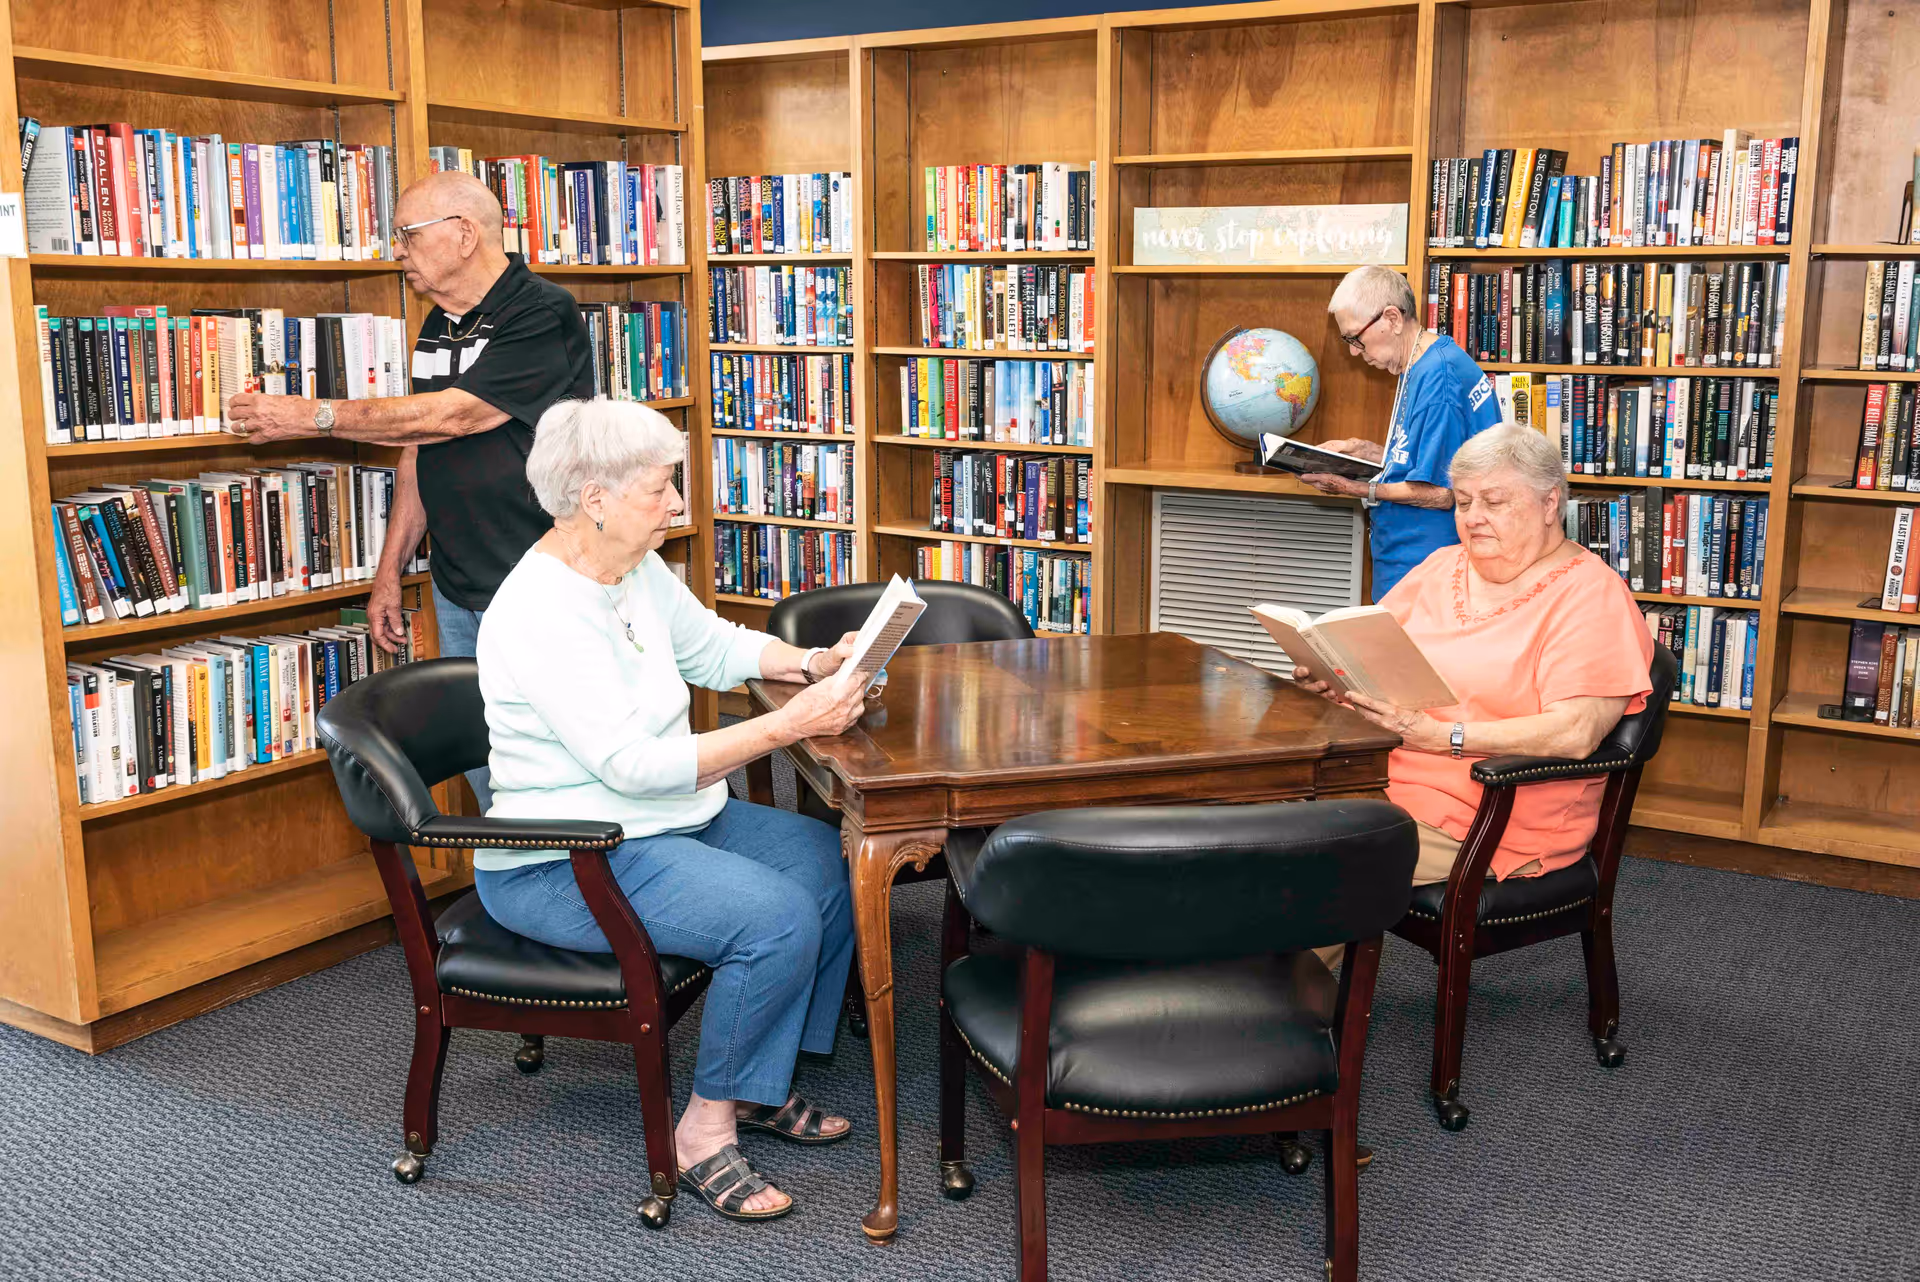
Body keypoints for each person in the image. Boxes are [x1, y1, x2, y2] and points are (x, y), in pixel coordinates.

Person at [474, 396, 867, 1223]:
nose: (680, 506)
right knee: (776, 918)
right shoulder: (540, 611)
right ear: (596, 500)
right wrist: (788, 725)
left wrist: (810, 661)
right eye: (662, 490)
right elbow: (635, 765)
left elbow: (713, 647)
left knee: (827, 865)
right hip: (566, 854)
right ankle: (703, 1129)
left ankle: (757, 1084)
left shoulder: (632, 566)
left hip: (654, 820)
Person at [225, 170, 594, 810]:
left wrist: (311, 416)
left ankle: (586, 892)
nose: (397, 250)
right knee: (490, 763)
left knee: (557, 759)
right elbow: (420, 450)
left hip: (541, 579)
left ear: (463, 234)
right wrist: (390, 572)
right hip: (458, 586)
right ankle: (520, 884)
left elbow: (458, 415)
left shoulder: (540, 311)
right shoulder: (438, 325)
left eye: (406, 235)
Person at [1295, 424, 1655, 945]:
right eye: (1463, 502)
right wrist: (1332, 679)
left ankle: (1296, 1015)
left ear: (1550, 502)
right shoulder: (1442, 567)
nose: (1473, 518)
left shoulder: (1591, 597)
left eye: (1494, 501)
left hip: (1495, 810)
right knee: (1244, 825)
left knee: (1306, 865)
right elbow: (1369, 656)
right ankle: (1258, 998)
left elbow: (1575, 733)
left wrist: (1444, 739)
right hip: (1384, 777)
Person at [1304, 264, 1503, 600]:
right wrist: (1365, 450)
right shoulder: (1424, 360)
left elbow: (1442, 493)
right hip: (1414, 563)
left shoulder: (1437, 378)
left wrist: (1355, 488)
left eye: (1356, 337)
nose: (1353, 351)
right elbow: (1425, 457)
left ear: (1393, 319)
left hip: (1427, 569)